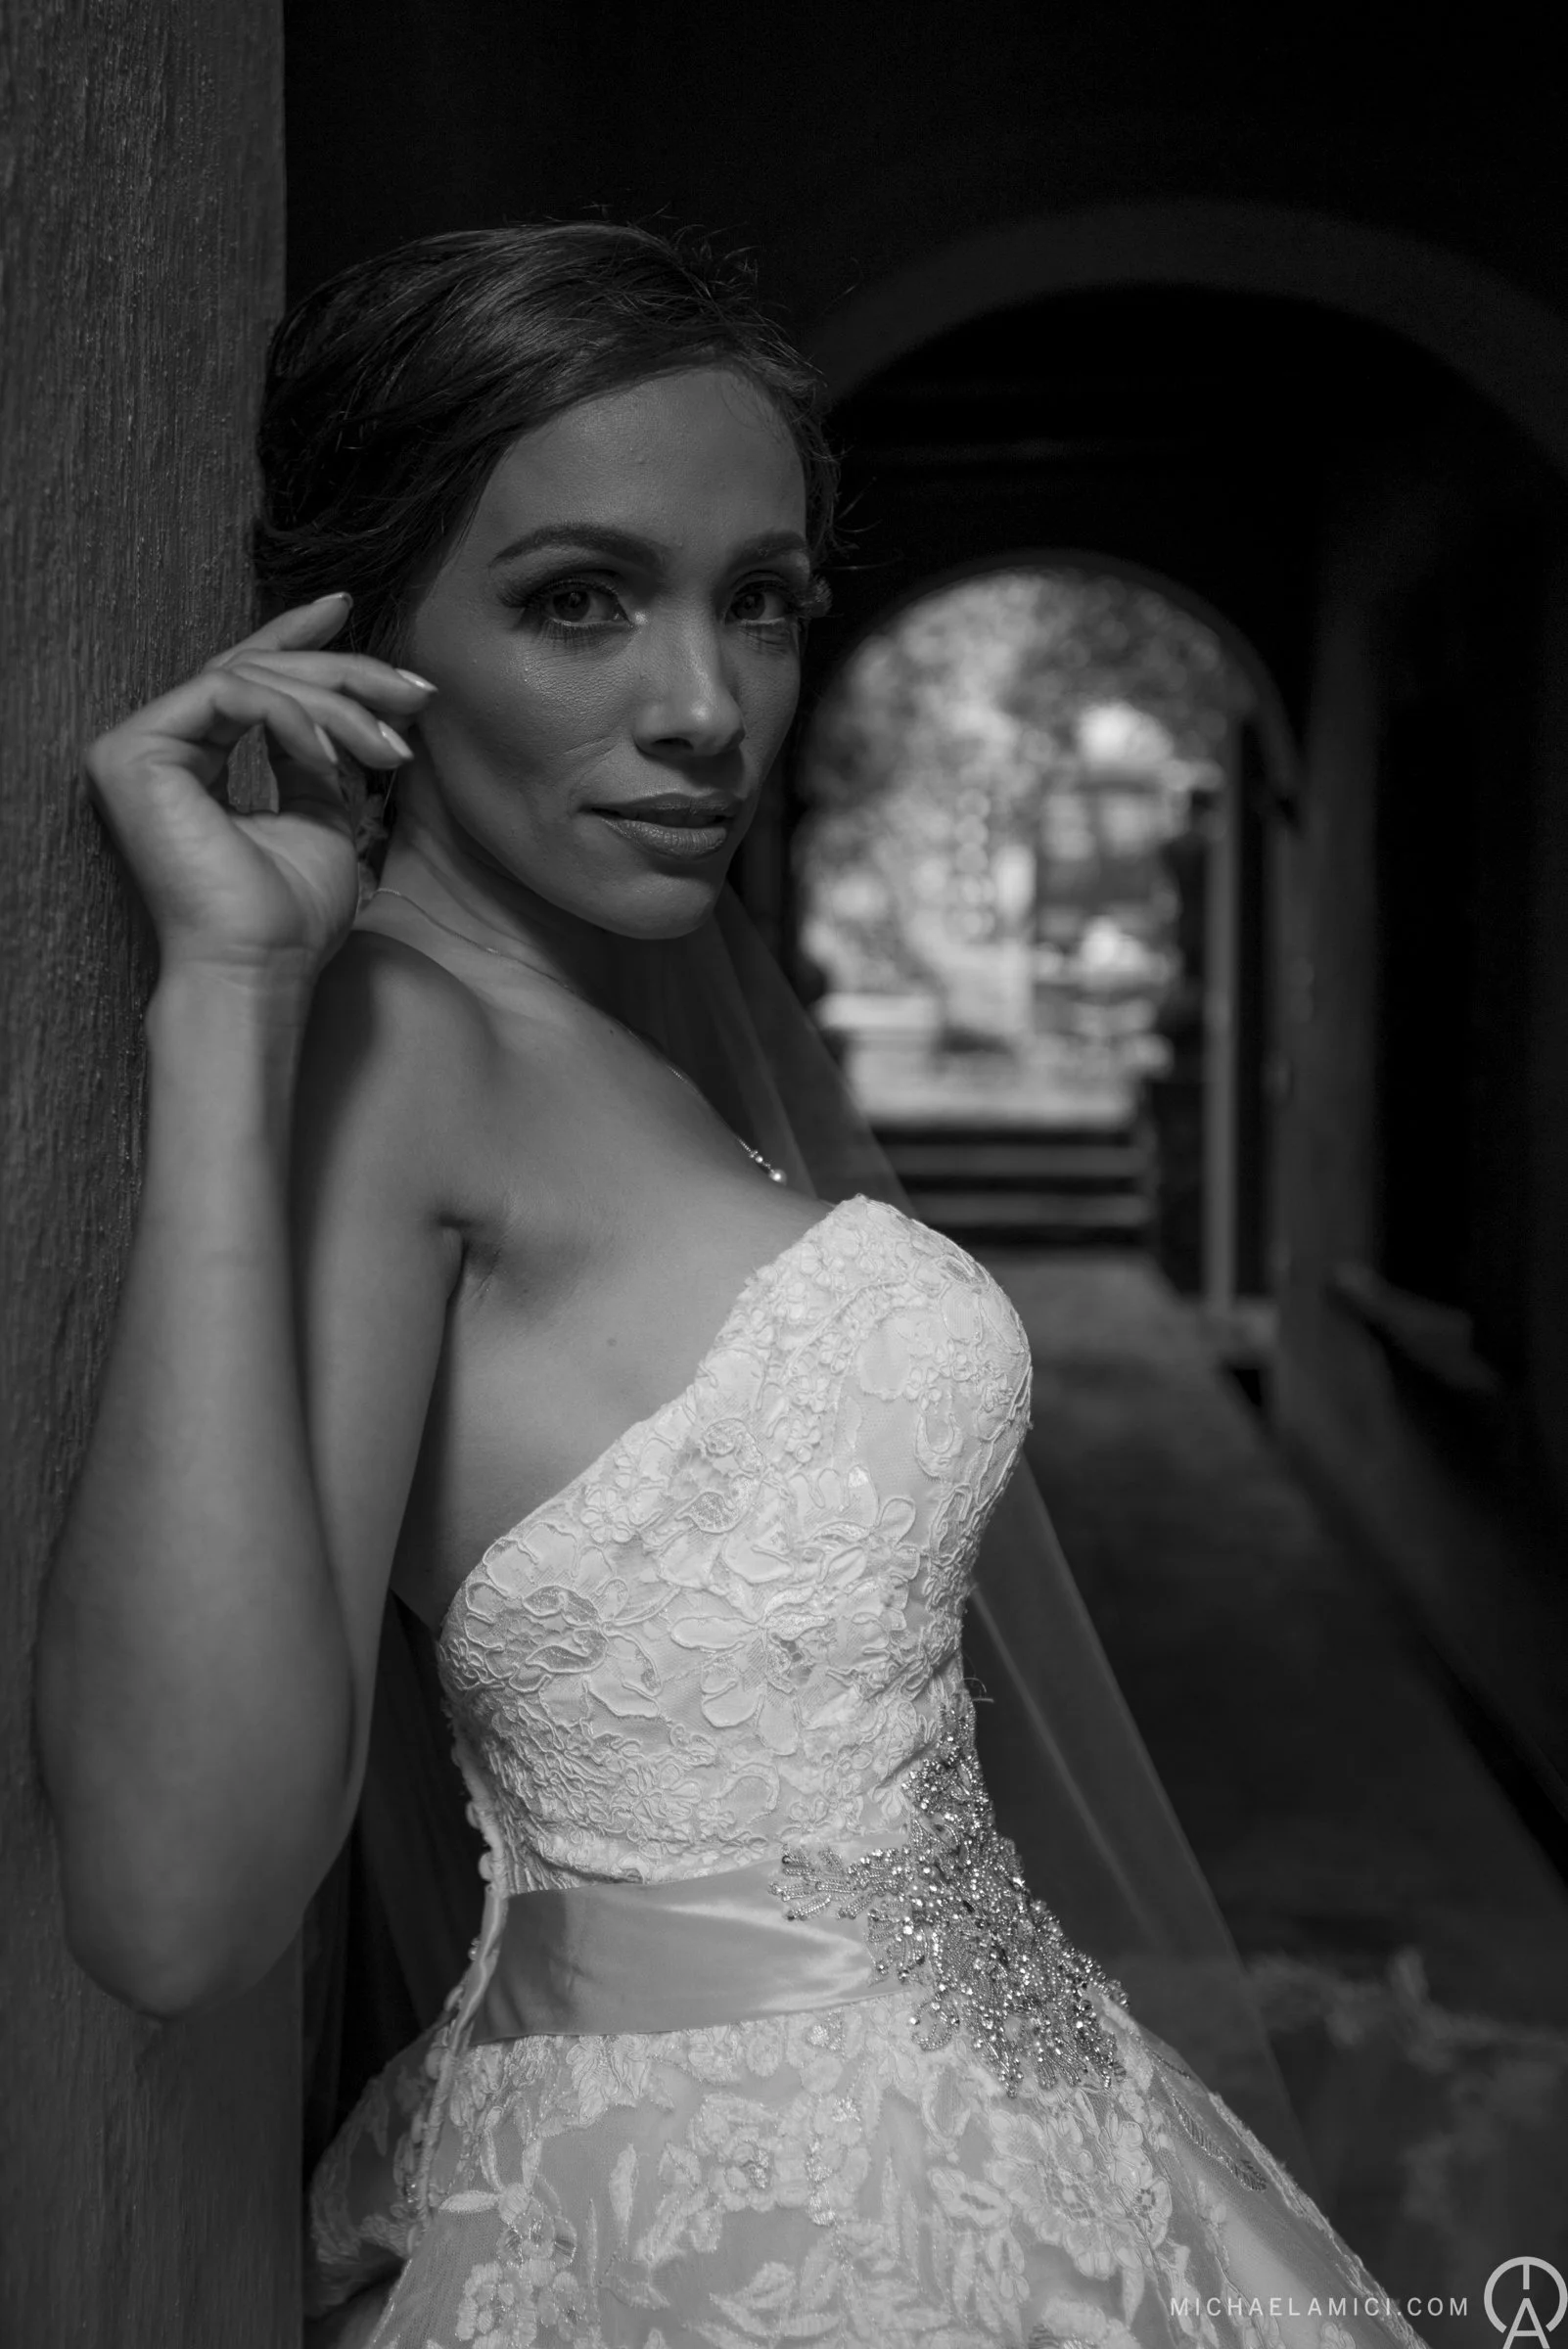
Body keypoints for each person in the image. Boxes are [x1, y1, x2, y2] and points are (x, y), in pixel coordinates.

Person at [37, 224, 1426, 2349]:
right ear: (358, 627)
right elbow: (172, 1900)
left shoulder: (620, 1025)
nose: (705, 710)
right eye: (578, 601)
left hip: (995, 2154)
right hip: (744, 2241)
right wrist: (227, 997)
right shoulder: (396, 1048)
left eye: (757, 604)